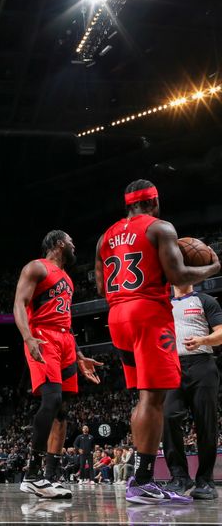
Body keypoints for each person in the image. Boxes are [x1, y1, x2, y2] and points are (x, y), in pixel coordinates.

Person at [95, 179, 220, 504]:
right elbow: (178, 276)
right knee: (155, 399)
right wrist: (212, 267)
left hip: (116, 316)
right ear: (154, 202)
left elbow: (99, 286)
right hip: (148, 315)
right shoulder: (160, 227)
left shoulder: (104, 237)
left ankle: (143, 479)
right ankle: (144, 481)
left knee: (144, 397)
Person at [13, 230, 103, 499]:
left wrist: (79, 354)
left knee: (62, 411)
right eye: (72, 242)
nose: (75, 246)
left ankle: (49, 477)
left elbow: (66, 320)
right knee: (50, 401)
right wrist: (28, 337)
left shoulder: (67, 279)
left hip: (64, 341)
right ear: (59, 244)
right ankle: (31, 475)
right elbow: (19, 303)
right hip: (42, 337)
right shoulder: (36, 267)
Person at [162, 283, 222, 499]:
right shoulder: (162, 302)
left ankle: (205, 481)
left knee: (206, 423)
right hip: (171, 365)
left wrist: (203, 340)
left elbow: (221, 333)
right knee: (168, 417)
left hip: (202, 364)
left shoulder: (205, 300)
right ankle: (179, 477)